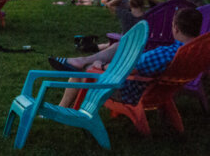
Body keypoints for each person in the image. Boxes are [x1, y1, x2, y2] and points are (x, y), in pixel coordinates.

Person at [49, 7, 203, 108]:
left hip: (129, 90)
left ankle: (61, 109)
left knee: (81, 72)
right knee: (118, 47)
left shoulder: (166, 53)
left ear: (175, 28)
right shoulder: (197, 52)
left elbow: (130, 70)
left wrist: (101, 66)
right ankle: (80, 61)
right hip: (161, 90)